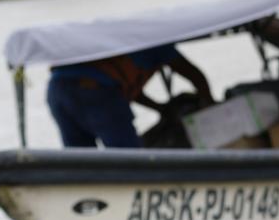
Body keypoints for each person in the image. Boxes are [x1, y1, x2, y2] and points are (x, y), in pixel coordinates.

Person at [47, 44, 212, 148]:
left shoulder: (125, 41)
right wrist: (209, 102)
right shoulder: (158, 44)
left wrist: (159, 108)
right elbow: (194, 74)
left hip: (57, 90)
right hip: (93, 90)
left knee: (80, 160)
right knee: (128, 156)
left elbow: (128, 91)